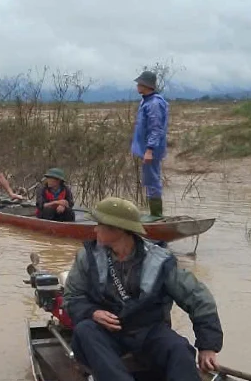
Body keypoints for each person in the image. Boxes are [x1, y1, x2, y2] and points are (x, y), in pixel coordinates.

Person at [62, 196, 222, 381]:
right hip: (107, 332)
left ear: (119, 229)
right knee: (84, 331)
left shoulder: (159, 260)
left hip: (148, 331)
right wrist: (92, 312)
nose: (95, 229)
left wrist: (208, 346)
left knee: (179, 348)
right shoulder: (87, 257)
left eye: (101, 224)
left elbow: (198, 299)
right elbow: (72, 297)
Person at [131, 71, 170, 218]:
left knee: (153, 180)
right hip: (146, 148)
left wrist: (149, 149)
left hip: (151, 150)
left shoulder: (154, 103)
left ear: (146, 85)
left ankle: (156, 216)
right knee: (149, 180)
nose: (137, 86)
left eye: (139, 83)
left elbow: (156, 128)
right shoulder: (146, 101)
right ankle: (154, 214)